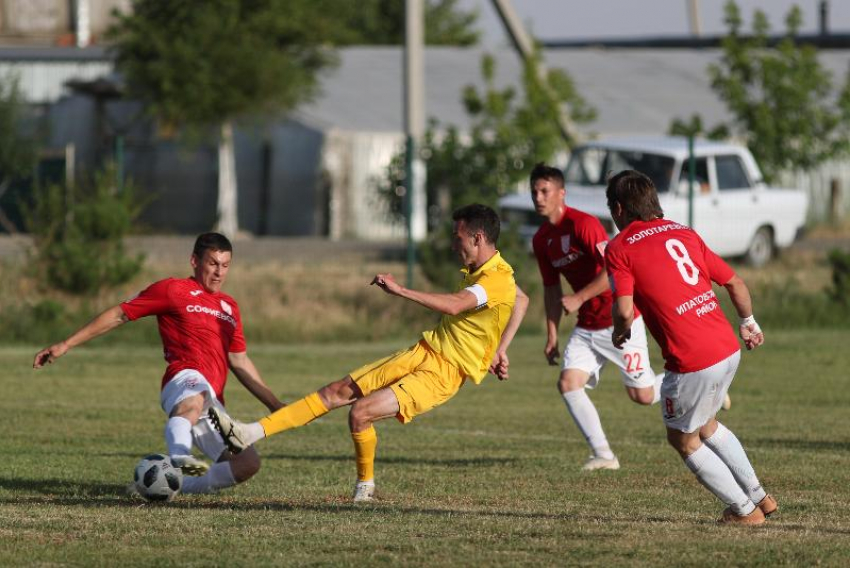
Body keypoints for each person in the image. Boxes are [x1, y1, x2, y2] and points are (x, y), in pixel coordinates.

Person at [209, 204, 529, 501]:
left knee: (360, 412)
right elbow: (522, 300)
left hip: (444, 372)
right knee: (336, 392)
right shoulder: (493, 273)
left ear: (478, 237)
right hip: (423, 350)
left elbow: (457, 304)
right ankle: (248, 432)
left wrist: (400, 290)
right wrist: (500, 349)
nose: (452, 245)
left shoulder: (497, 279)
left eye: (457, 238)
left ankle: (365, 489)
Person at [33, 232, 283, 496]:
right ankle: (178, 461)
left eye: (225, 265)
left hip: (213, 400)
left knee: (247, 464)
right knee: (194, 398)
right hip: (183, 378)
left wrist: (274, 404)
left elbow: (239, 359)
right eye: (212, 263)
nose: (219, 272)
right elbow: (120, 314)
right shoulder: (173, 290)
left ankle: (172, 487)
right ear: (194, 261)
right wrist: (66, 344)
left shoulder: (229, 307)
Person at [604, 169, 776, 525]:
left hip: (691, 359)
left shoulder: (620, 247)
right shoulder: (683, 232)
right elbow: (736, 283)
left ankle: (745, 512)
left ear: (618, 209)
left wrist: (620, 331)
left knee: (682, 440)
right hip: (727, 348)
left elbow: (623, 309)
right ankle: (761, 496)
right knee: (708, 425)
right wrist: (748, 323)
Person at [529, 163, 664, 471]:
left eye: (544, 191)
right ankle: (603, 454)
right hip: (587, 326)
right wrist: (552, 334)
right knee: (568, 383)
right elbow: (551, 290)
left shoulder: (583, 224)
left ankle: (690, 381)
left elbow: (614, 270)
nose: (538, 197)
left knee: (642, 396)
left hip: (620, 320)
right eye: (534, 191)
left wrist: (579, 296)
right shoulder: (541, 239)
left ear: (561, 193)